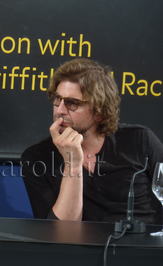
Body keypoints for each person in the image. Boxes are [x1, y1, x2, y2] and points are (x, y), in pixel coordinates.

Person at [22, 58, 163, 224]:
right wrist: (72, 163)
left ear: (99, 112)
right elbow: (61, 233)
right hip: (82, 249)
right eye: (57, 99)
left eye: (72, 103)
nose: (59, 110)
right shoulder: (37, 158)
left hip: (145, 247)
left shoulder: (139, 140)